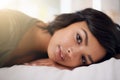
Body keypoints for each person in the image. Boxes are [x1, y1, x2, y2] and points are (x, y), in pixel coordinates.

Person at [0, 8, 120, 69]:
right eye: (78, 38)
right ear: (71, 21)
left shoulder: (48, 55)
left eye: (83, 59)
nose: (72, 53)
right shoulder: (8, 24)